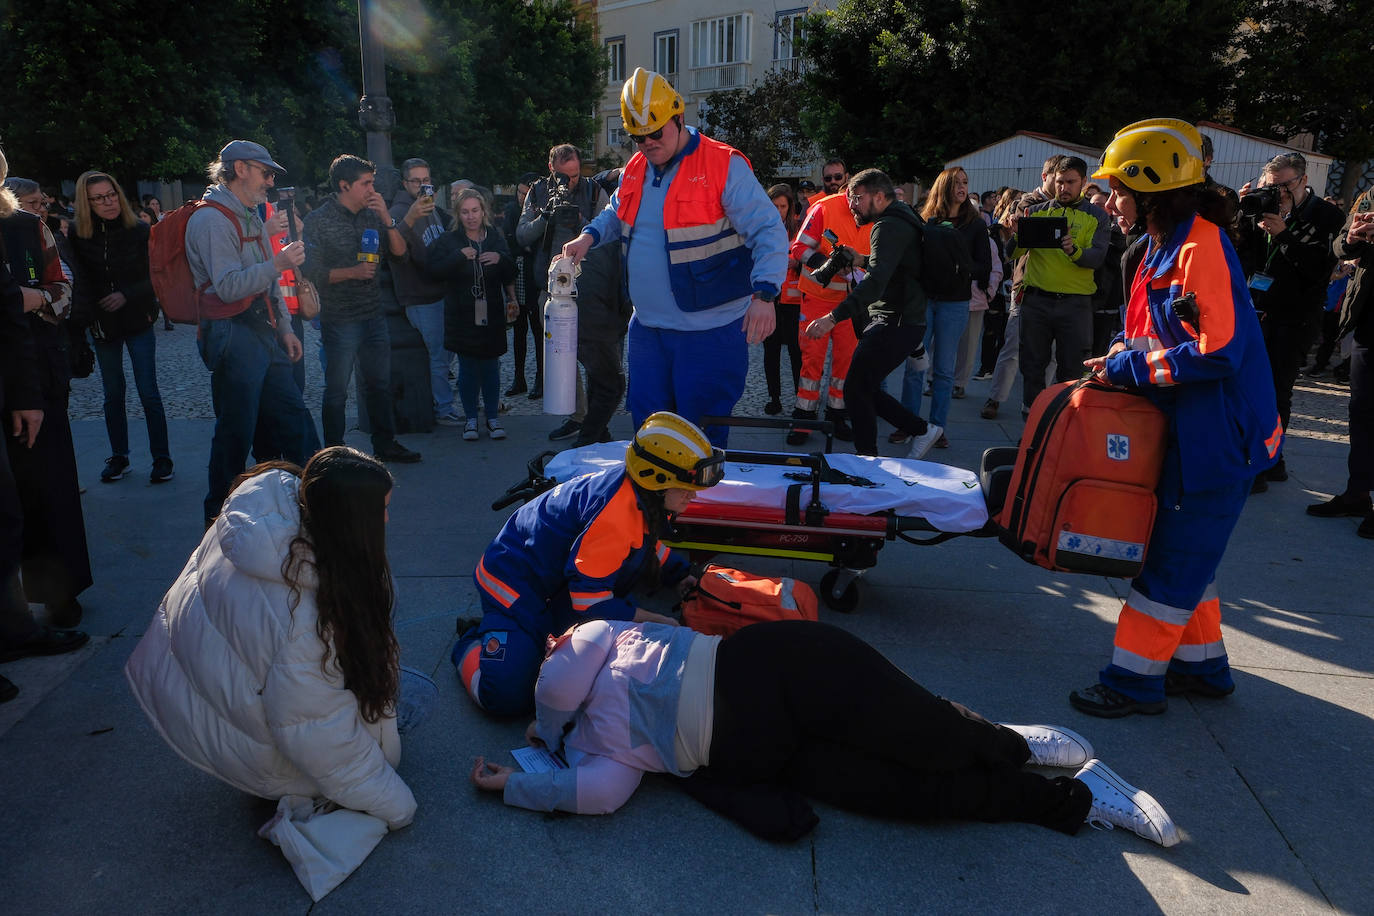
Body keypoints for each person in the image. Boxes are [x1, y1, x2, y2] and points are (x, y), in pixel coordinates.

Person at [470, 618, 1179, 848]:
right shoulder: (591, 749)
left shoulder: (595, 639)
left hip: (778, 670)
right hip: (766, 755)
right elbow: (600, 795)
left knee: (927, 733)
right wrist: (519, 787)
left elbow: (558, 686)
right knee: (914, 799)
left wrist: (546, 731)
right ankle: (1081, 800)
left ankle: (1010, 744)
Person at [1070, 119, 1281, 718]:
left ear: (1152, 192)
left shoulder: (1197, 247)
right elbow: (1151, 333)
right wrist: (1120, 354)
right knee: (1191, 559)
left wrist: (1129, 369)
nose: (1109, 202)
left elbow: (1219, 352)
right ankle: (1202, 668)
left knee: (1170, 566)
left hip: (1216, 439)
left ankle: (1132, 683)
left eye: (1119, 191)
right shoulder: (1165, 246)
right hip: (1197, 430)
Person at [125, 448, 427, 829]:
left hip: (199, 693)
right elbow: (317, 735)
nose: (386, 519)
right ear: (348, 521)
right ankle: (283, 782)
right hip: (248, 746)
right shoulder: (305, 622)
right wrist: (397, 806)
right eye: (379, 510)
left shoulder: (264, 507)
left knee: (377, 633)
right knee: (418, 696)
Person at [562, 68, 787, 448]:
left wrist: (765, 295)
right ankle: (654, 489)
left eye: (655, 133)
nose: (647, 143)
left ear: (679, 118)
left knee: (700, 436)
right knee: (650, 431)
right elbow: (617, 211)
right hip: (648, 327)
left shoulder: (723, 164)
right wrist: (589, 236)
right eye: (638, 137)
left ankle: (700, 488)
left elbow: (768, 230)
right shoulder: (637, 167)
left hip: (709, 330)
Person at [452, 411, 716, 716]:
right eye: (685, 487)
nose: (693, 496)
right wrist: (657, 621)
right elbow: (591, 604)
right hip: (512, 588)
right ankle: (473, 640)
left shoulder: (636, 492)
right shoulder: (614, 514)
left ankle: (533, 635)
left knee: (586, 664)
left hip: (554, 582)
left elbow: (642, 542)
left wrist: (678, 574)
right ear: (656, 480)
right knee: (505, 696)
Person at [186, 140, 318, 528]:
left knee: (293, 417)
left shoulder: (248, 213)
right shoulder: (211, 219)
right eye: (266, 172)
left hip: (261, 330)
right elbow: (228, 287)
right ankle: (217, 522)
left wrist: (285, 328)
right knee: (236, 431)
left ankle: (318, 501)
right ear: (240, 169)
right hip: (231, 333)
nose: (271, 181)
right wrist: (279, 262)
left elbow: (268, 281)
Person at [0, 150, 89, 704]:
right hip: (20, 375)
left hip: (32, 376)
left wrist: (30, 297)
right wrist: (21, 298)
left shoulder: (28, 228)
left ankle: (53, 598)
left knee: (41, 493)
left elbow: (61, 292)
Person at [803, 169, 942, 459]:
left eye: (857, 198)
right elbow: (897, 266)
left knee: (856, 388)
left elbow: (876, 282)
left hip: (895, 320)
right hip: (903, 318)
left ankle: (878, 453)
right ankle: (907, 436)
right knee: (862, 387)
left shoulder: (887, 226)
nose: (852, 205)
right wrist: (862, 259)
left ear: (878, 196)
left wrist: (832, 317)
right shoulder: (904, 216)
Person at [1234, 152, 1345, 491]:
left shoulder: (1327, 215)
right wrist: (1240, 214)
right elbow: (1242, 255)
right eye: (1272, 186)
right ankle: (1264, 458)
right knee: (1247, 386)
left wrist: (1284, 235)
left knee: (1276, 390)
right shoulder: (1261, 208)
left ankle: (1267, 463)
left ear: (1303, 180)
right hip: (1256, 310)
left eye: (1285, 186)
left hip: (1295, 317)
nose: (1278, 193)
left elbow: (1320, 270)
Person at [301, 154, 421, 464]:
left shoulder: (372, 215)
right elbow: (311, 271)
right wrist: (352, 272)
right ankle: (334, 453)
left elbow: (400, 255)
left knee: (379, 384)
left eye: (372, 183)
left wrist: (387, 219)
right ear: (344, 186)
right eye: (366, 184)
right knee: (337, 390)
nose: (372, 189)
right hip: (339, 318)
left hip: (373, 314)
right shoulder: (318, 220)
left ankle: (385, 444)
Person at [67, 171, 174, 485]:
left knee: (148, 391)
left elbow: (156, 275)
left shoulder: (139, 229)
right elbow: (79, 279)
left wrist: (126, 294)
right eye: (99, 198)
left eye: (111, 195)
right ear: (87, 203)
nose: (108, 202)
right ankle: (119, 456)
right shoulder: (77, 233)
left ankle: (162, 458)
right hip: (103, 324)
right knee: (112, 393)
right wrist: (89, 316)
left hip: (139, 319)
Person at [898, 167, 993, 448]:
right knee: (915, 364)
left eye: (965, 182)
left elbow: (984, 266)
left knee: (943, 369)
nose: (962, 188)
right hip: (924, 300)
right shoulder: (924, 219)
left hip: (955, 302)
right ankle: (908, 424)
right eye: (956, 183)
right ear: (944, 187)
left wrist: (960, 267)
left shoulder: (975, 224)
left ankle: (937, 429)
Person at [1010, 156, 1112, 414]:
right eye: (1059, 182)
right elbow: (1010, 254)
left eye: (1070, 182)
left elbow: (1097, 258)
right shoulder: (1035, 212)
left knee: (1073, 369)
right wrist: (1016, 235)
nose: (1064, 188)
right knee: (1032, 366)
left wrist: (1074, 251)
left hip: (1075, 304)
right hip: (1037, 301)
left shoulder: (1098, 216)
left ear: (1083, 182)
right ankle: (1032, 420)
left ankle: (1063, 422)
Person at [519, 145, 609, 421]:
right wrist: (545, 217)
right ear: (551, 169)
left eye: (575, 175)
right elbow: (522, 235)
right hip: (551, 288)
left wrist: (582, 222)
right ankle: (577, 416)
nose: (569, 182)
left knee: (593, 354)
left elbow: (610, 233)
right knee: (562, 355)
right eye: (563, 176)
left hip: (590, 285)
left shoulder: (593, 191)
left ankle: (597, 417)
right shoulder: (537, 192)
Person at [424, 189, 517, 441]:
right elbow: (433, 270)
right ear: (458, 214)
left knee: (490, 367)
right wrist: (457, 257)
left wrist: (499, 259)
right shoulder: (449, 240)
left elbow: (511, 271)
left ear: (483, 211)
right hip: (461, 314)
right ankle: (471, 420)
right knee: (467, 369)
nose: (471, 216)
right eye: (465, 212)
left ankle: (493, 418)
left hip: (491, 311)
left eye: (475, 210)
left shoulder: (494, 237)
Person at [1306, 190, 1374, 537]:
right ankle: (1357, 494)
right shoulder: (1372, 194)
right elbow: (1339, 247)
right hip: (1367, 322)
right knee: (1362, 413)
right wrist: (1352, 238)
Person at [787, 159, 867, 445]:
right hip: (818, 298)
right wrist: (827, 264)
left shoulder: (875, 214)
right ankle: (804, 418)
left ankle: (836, 415)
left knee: (845, 363)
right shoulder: (822, 207)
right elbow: (798, 248)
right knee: (812, 362)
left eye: (838, 177)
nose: (833, 182)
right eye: (829, 178)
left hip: (852, 302)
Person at [389, 157, 459, 425]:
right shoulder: (400, 211)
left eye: (426, 180)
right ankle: (443, 408)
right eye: (416, 181)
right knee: (438, 355)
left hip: (440, 290)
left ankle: (442, 400)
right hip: (421, 295)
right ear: (405, 183)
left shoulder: (431, 208)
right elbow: (395, 251)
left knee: (446, 351)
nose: (422, 186)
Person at [762, 183, 802, 416]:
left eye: (782, 206)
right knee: (771, 351)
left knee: (797, 353)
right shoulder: (763, 229)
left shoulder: (799, 230)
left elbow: (810, 258)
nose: (778, 211)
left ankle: (801, 398)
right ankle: (774, 398)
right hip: (770, 300)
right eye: (774, 206)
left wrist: (797, 262)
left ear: (790, 207)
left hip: (794, 303)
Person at [504, 171, 542, 399]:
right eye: (519, 192)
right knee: (519, 331)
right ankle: (519, 378)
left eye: (526, 193)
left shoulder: (541, 211)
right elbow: (511, 242)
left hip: (535, 276)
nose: (521, 197)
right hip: (517, 274)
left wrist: (525, 245)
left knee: (538, 330)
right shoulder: (511, 210)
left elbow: (538, 245)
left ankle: (541, 378)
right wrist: (524, 245)